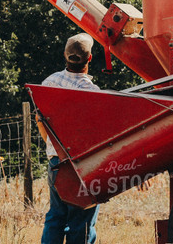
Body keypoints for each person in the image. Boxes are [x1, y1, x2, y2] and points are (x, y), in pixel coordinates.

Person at [37, 33, 100, 244]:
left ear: (65, 55)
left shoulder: (49, 83)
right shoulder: (92, 92)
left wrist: (53, 147)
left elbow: (40, 122)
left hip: (56, 161)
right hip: (82, 165)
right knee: (81, 220)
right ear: (89, 58)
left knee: (56, 216)